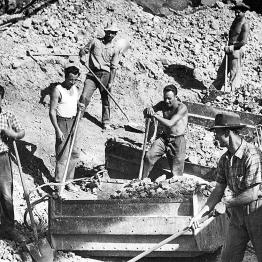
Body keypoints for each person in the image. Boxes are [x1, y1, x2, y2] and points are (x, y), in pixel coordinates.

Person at [190, 112, 262, 262]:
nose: (214, 136)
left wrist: (226, 203)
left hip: (257, 211)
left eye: (216, 132)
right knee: (228, 258)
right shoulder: (224, 159)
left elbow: (252, 194)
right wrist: (200, 215)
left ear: (227, 132)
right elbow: (218, 190)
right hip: (237, 213)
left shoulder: (251, 154)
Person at [49, 66, 84, 193]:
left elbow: (74, 103)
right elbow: (52, 111)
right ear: (65, 77)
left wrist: (79, 105)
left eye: (75, 80)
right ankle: (59, 184)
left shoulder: (75, 88)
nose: (72, 82)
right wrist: (58, 130)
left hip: (74, 121)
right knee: (62, 155)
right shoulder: (57, 90)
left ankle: (69, 181)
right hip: (62, 122)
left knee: (74, 153)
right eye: (70, 80)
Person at [79, 23, 120, 130]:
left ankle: (106, 122)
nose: (111, 34)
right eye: (109, 32)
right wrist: (82, 56)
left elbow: (114, 67)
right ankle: (78, 115)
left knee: (106, 100)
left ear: (115, 34)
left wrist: (111, 82)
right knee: (84, 96)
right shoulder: (95, 41)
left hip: (106, 75)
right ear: (105, 32)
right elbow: (83, 50)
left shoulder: (115, 49)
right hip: (92, 74)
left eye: (114, 33)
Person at [142, 84, 188, 179]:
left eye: (169, 98)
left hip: (177, 141)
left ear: (176, 97)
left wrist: (155, 115)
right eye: (165, 98)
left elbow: (170, 123)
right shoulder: (163, 104)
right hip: (164, 138)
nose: (167, 101)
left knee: (176, 173)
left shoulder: (182, 108)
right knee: (149, 156)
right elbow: (147, 112)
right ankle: (143, 180)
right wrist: (149, 109)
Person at [0, 85, 25, 242]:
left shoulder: (7, 115)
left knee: (6, 194)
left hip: (2, 158)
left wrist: (13, 134)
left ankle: (8, 228)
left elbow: (22, 132)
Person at [209, 3, 250, 93]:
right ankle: (213, 91)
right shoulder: (236, 21)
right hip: (229, 49)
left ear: (243, 12)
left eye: (238, 12)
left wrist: (232, 47)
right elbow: (234, 34)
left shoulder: (245, 24)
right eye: (235, 12)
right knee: (221, 72)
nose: (236, 14)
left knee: (233, 74)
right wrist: (228, 35)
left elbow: (243, 42)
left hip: (236, 51)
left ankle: (231, 94)